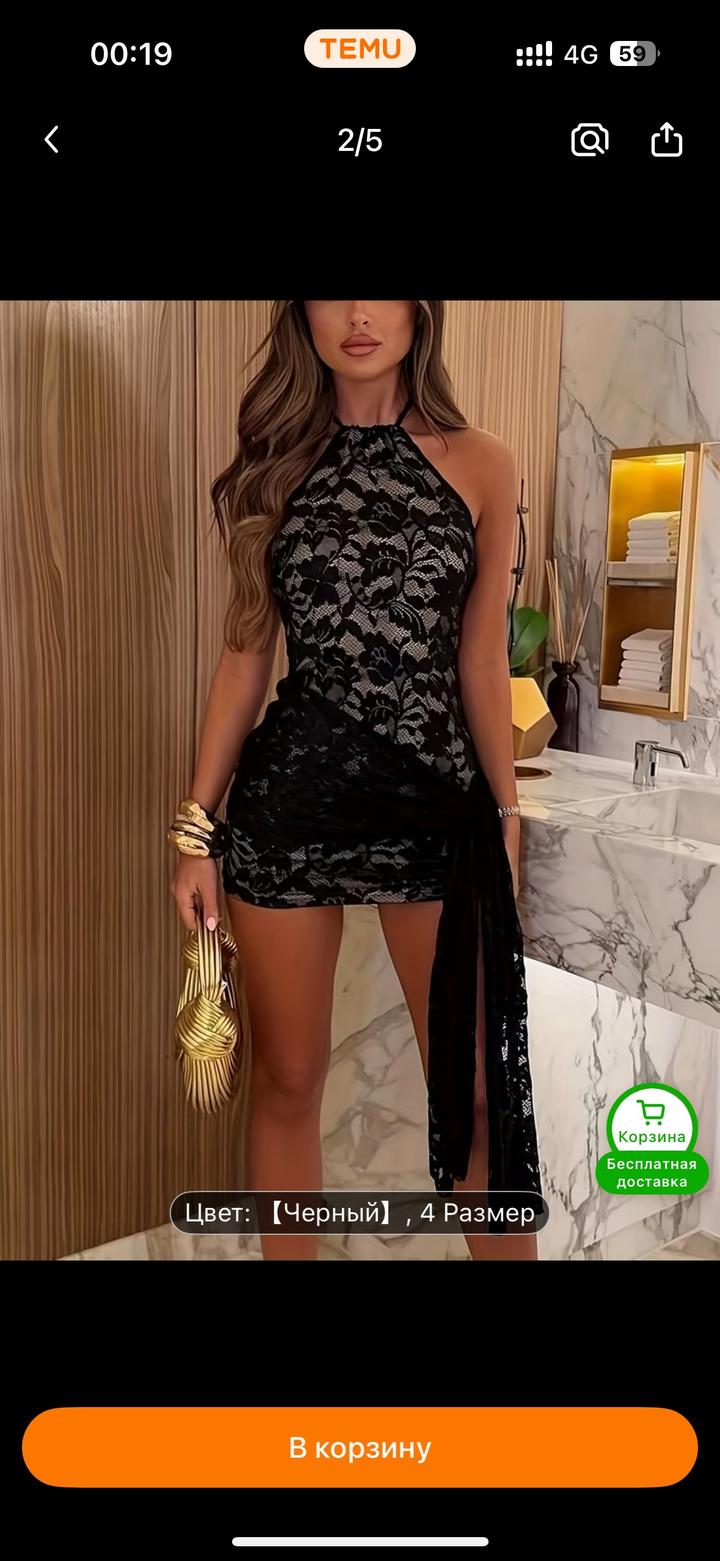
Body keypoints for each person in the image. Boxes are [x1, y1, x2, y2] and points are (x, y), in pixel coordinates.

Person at [170, 299, 541, 1261]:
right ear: (303, 314)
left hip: (436, 805)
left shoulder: (485, 464)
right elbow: (245, 658)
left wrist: (505, 814)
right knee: (288, 1081)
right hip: (293, 803)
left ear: (422, 311)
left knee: (472, 1095)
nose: (359, 314)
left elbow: (481, 660)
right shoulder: (276, 464)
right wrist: (195, 831)